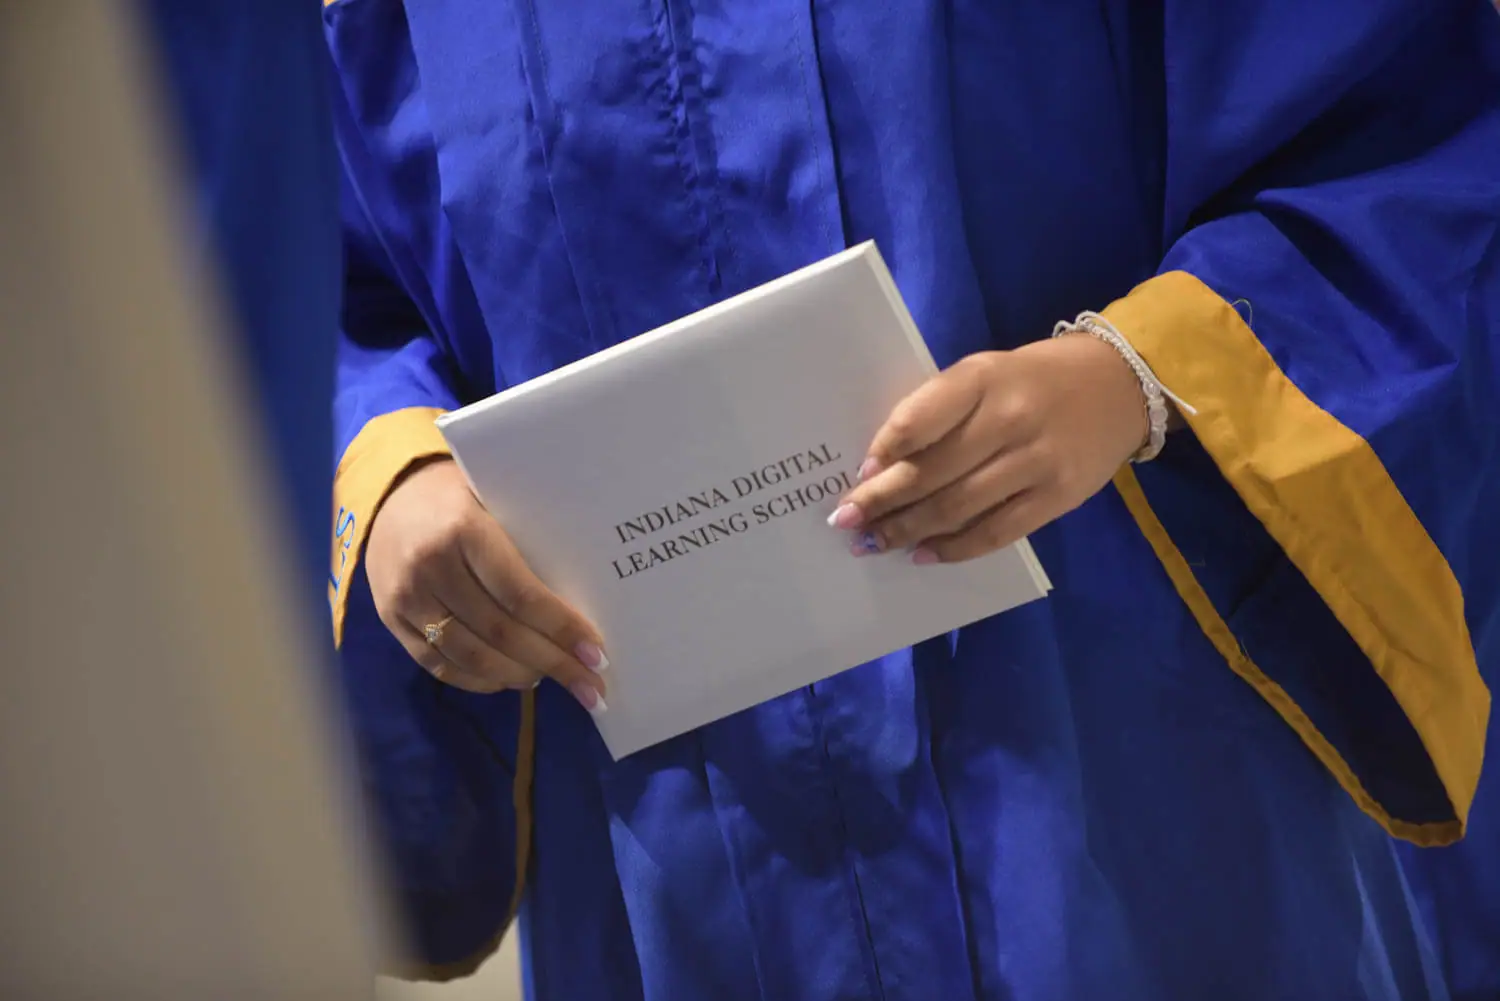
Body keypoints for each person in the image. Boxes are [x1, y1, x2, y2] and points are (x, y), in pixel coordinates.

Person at [321, 0, 1500, 997]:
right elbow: (325, 276)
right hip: (668, 827)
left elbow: (1406, 137)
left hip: (1128, 736)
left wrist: (1131, 376)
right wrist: (393, 470)